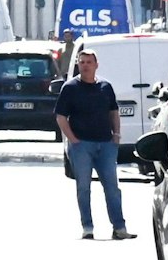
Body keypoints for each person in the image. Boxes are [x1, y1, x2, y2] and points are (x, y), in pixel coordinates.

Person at [55, 49, 133, 241]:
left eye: (89, 62)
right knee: (84, 187)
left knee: (112, 188)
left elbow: (113, 112)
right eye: (82, 62)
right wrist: (73, 140)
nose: (85, 65)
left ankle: (119, 228)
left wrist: (116, 135)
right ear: (78, 65)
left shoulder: (105, 87)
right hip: (82, 145)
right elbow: (60, 117)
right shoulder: (70, 88)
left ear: (96, 64)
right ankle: (88, 227)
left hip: (106, 144)